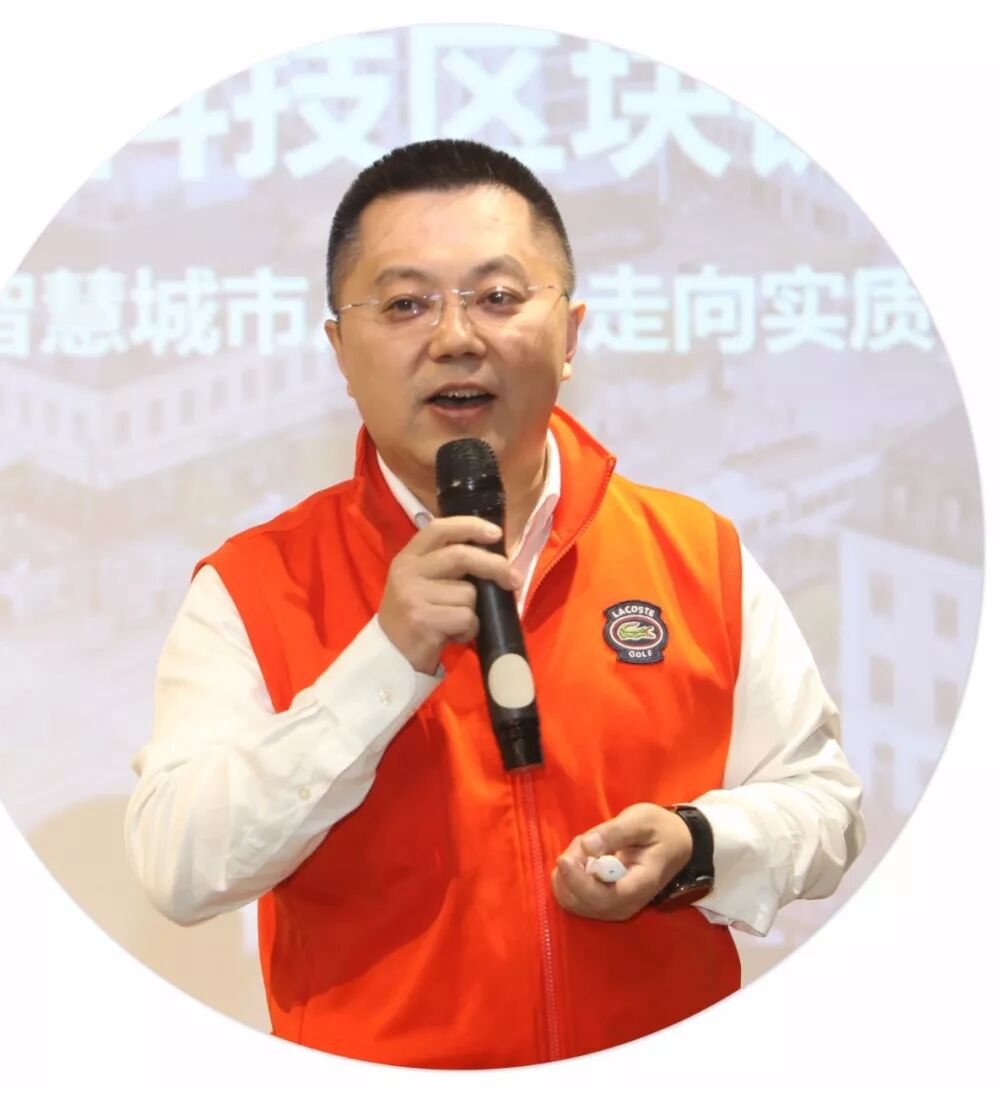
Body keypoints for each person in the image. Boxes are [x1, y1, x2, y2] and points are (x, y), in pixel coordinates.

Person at [125, 138, 865, 1069]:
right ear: (340, 350)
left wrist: (701, 842)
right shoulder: (253, 586)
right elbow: (178, 865)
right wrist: (383, 659)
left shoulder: (696, 553)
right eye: (405, 304)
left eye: (499, 296)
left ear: (571, 333)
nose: (455, 338)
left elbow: (823, 805)